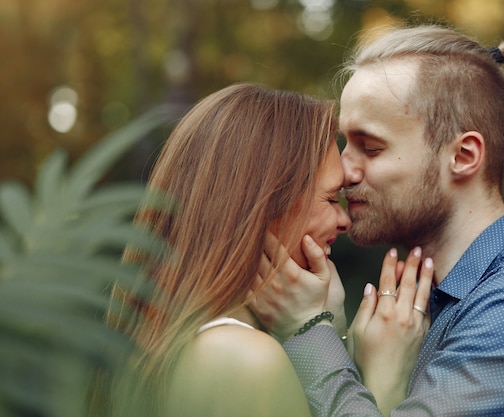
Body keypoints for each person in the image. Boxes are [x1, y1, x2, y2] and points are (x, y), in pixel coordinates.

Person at [252, 24, 504, 416]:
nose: (344, 171)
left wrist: (307, 330)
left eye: (370, 147)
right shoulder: (409, 310)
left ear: (463, 156)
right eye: (345, 144)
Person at [103, 83, 363, 417]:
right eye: (330, 198)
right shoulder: (248, 361)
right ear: (265, 206)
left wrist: (329, 326)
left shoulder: (155, 339)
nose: (345, 220)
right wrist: (387, 382)